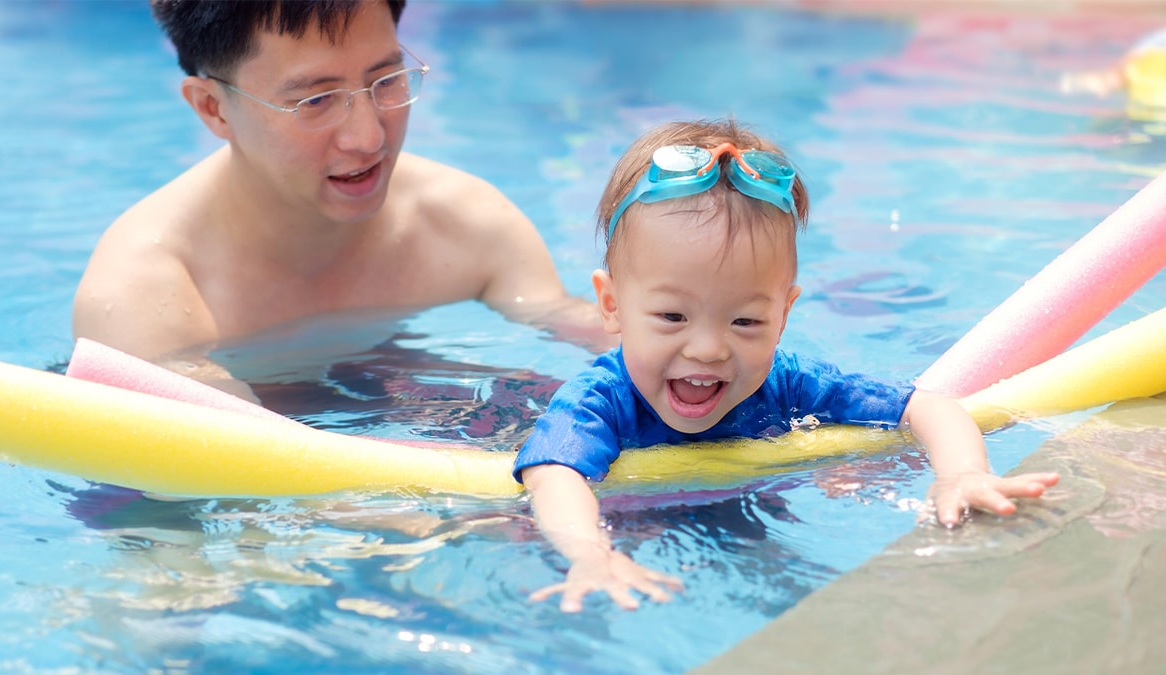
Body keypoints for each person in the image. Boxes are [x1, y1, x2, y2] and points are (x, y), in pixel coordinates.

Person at [513, 118, 1061, 613]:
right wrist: (590, 554)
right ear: (611, 306)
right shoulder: (600, 399)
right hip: (629, 532)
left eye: (745, 322)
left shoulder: (791, 384)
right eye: (672, 316)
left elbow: (927, 407)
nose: (708, 349)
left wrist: (961, 474)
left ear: (783, 314)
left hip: (745, 516)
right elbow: (554, 474)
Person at [72, 0, 608, 399]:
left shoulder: (465, 223)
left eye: (387, 79)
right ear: (214, 109)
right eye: (316, 99)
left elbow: (573, 326)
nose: (368, 137)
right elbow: (240, 479)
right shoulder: (148, 289)